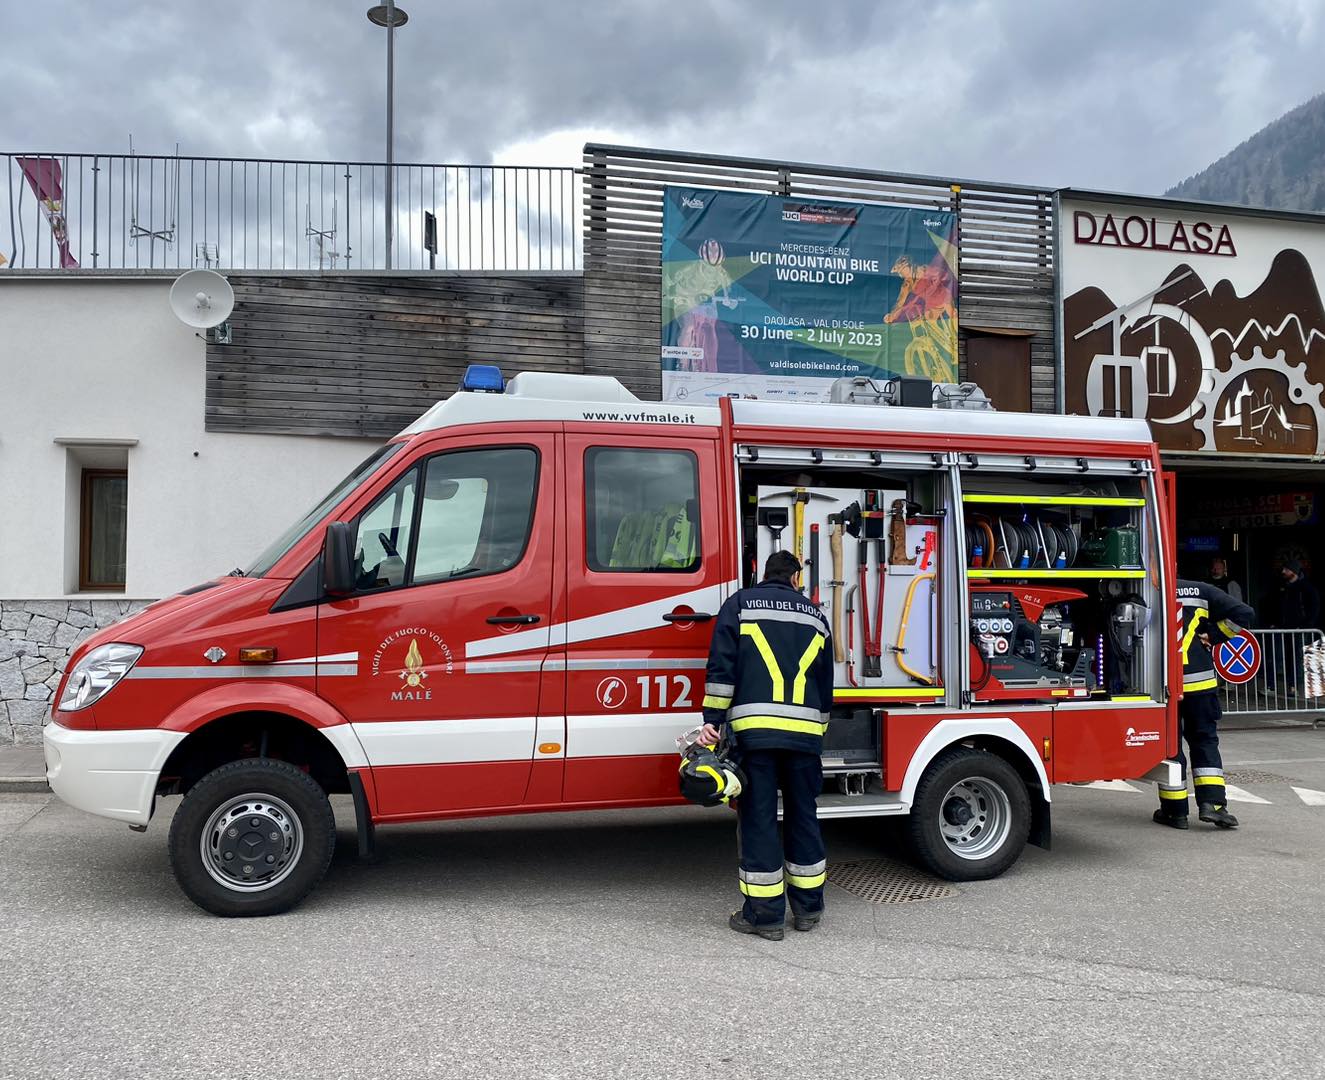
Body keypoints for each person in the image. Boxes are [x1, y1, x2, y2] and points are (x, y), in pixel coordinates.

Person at [698, 550, 833, 941]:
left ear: (760, 574)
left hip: (755, 736)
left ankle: (765, 917)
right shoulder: (816, 616)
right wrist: (817, 733)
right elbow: (825, 686)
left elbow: (722, 666)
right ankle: (808, 910)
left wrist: (713, 721)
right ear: (795, 578)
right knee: (803, 817)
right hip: (804, 737)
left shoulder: (740, 604)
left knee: (758, 820)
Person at [1155, 578, 1256, 831]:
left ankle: (1175, 812)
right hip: (1200, 684)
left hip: (1164, 686)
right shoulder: (1201, 591)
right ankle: (1213, 806)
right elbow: (1244, 613)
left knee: (1171, 746)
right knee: (1204, 741)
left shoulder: (1150, 589)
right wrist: (1215, 635)